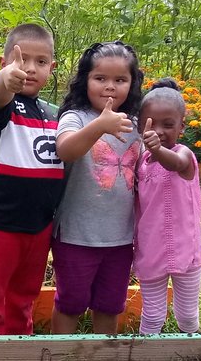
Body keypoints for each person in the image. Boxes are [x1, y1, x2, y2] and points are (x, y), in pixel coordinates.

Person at [0, 23, 64, 335]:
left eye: (40, 62)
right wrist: (5, 81)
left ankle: (18, 355)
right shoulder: (4, 105)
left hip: (40, 227)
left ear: (52, 67)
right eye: (21, 60)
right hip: (0, 225)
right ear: (4, 62)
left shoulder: (56, 114)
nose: (30, 69)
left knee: (24, 297)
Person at [51, 41, 145, 335]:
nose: (110, 87)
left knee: (110, 304)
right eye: (100, 78)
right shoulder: (76, 117)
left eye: (120, 80)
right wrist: (100, 126)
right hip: (76, 236)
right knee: (71, 302)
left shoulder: (136, 124)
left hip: (120, 238)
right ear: (85, 80)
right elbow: (66, 150)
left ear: (132, 83)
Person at [132, 78, 201, 335]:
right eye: (151, 124)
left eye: (169, 125)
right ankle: (145, 360)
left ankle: (190, 355)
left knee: (186, 315)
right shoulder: (140, 161)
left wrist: (158, 150)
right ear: (140, 126)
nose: (160, 131)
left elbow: (174, 164)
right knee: (152, 315)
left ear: (181, 127)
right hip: (151, 251)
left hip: (187, 252)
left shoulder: (185, 155)